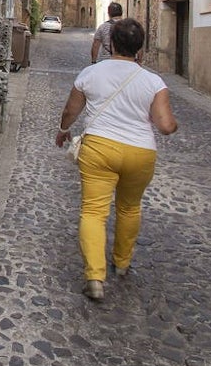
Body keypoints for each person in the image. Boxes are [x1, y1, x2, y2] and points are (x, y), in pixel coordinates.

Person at [56, 17, 177, 301]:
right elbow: (165, 126)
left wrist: (63, 131)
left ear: (110, 44)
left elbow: (70, 110)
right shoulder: (153, 81)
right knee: (129, 208)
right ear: (140, 50)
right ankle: (122, 263)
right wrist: (174, 124)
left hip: (98, 148)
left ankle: (95, 277)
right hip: (140, 152)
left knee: (93, 212)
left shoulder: (91, 73)